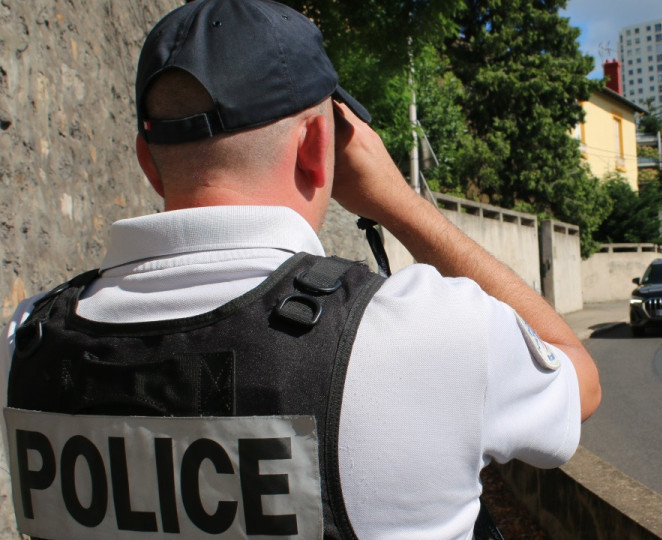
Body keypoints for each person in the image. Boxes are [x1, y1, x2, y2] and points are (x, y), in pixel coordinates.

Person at [0, 1, 600, 539]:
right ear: (319, 146)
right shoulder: (425, 334)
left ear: (148, 165)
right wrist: (400, 203)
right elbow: (579, 380)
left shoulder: (29, 340)